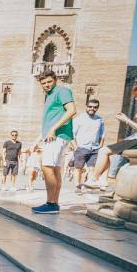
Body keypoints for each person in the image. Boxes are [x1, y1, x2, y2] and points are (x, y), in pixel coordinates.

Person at [84, 81, 137, 189]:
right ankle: (102, 180)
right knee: (106, 151)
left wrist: (126, 120)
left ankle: (94, 179)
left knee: (103, 151)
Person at [32, 71, 76, 214]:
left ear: (55, 80)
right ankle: (54, 203)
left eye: (49, 82)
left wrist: (53, 130)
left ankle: (50, 203)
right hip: (53, 136)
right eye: (43, 83)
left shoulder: (62, 91)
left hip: (57, 135)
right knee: (55, 168)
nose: (46, 85)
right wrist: (40, 138)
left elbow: (71, 110)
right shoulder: (49, 95)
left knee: (47, 166)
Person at [72, 99, 105, 192]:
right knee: (78, 168)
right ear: (86, 106)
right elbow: (72, 134)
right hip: (81, 147)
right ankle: (77, 186)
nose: (92, 109)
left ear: (97, 108)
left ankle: (89, 186)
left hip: (94, 148)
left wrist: (100, 147)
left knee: (92, 169)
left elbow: (102, 134)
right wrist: (75, 147)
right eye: (90, 106)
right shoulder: (79, 119)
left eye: (95, 107)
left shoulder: (100, 120)